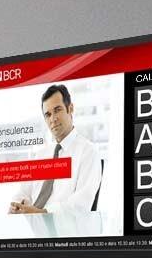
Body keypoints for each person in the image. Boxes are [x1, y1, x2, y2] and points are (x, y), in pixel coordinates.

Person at [8, 84, 102, 214]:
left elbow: (81, 204)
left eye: (57, 110)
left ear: (70, 109)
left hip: (62, 225)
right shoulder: (40, 155)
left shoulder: (88, 152)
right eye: (48, 114)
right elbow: (23, 192)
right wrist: (16, 206)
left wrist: (43, 213)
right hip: (32, 223)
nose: (53, 119)